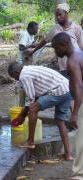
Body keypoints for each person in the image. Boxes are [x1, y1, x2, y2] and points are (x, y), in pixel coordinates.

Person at [8, 62, 72, 160]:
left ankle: (30, 142)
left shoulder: (24, 75)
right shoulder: (30, 69)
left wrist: (22, 115)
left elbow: (31, 99)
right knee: (60, 121)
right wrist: (23, 115)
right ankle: (68, 154)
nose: (16, 80)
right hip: (67, 89)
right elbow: (36, 95)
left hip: (58, 91)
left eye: (14, 77)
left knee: (33, 109)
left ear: (16, 72)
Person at [51, 32, 83, 179]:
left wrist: (75, 113)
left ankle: (79, 174)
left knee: (80, 139)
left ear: (64, 45)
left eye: (56, 48)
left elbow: (79, 86)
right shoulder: (79, 53)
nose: (55, 52)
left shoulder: (72, 61)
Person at [30, 3, 83, 78]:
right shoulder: (55, 28)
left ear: (66, 14)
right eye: (56, 15)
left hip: (77, 65)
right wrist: (33, 51)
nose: (58, 17)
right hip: (64, 67)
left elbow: (81, 48)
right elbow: (45, 41)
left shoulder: (76, 28)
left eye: (60, 15)